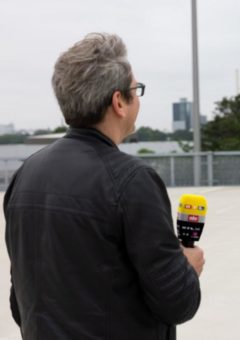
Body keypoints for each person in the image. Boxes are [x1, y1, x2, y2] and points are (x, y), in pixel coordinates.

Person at [4, 33, 204, 340]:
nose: (137, 98)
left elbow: (21, 302)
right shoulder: (133, 180)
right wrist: (187, 268)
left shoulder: (25, 173)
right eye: (136, 90)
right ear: (118, 102)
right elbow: (177, 303)